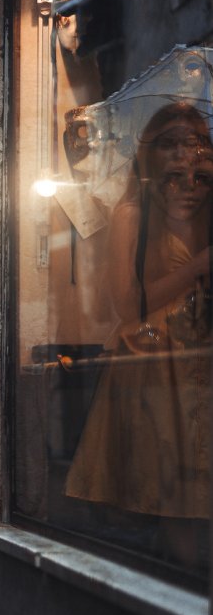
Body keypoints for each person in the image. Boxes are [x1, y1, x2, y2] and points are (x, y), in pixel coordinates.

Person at [66, 101, 212, 542]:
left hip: (200, 356)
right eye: (171, 144)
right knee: (161, 487)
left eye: (196, 142)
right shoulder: (132, 214)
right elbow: (126, 306)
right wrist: (197, 266)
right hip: (152, 359)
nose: (185, 155)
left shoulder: (204, 211)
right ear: (149, 152)